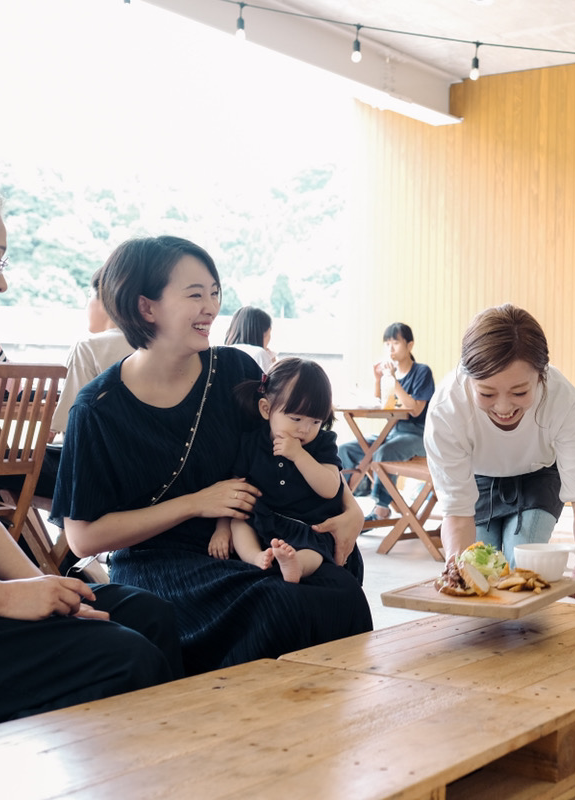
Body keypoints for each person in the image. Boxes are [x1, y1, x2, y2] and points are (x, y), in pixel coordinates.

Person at [0, 170, 182, 745]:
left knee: (148, 616)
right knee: (123, 660)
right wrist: (7, 598)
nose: (1, 283)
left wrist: (48, 594)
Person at [52, 235, 372, 676]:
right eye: (195, 294)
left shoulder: (236, 372)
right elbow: (83, 538)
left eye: (215, 292)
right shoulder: (99, 408)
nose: (211, 307)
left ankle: (319, 723)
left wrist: (352, 510)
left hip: (248, 536)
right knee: (279, 601)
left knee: (338, 575)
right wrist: (197, 503)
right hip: (159, 562)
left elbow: (307, 441)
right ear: (147, 307)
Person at [424, 304, 575, 601]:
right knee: (480, 570)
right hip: (479, 478)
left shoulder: (564, 400)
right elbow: (456, 513)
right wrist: (456, 568)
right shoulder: (447, 408)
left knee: (522, 565)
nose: (504, 408)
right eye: (487, 394)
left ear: (541, 376)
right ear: (468, 379)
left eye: (519, 392)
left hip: (539, 474)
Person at [207, 357, 346, 584]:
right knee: (239, 522)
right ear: (266, 409)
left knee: (317, 551)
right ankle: (256, 557)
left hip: (306, 525)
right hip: (264, 518)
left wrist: (299, 456)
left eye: (315, 422)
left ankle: (296, 566)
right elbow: (234, 491)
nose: (305, 429)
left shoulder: (322, 443)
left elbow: (330, 488)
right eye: (296, 418)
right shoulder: (252, 443)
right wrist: (221, 528)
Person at [338, 322, 436, 522]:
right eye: (387, 344)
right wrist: (377, 380)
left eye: (396, 343)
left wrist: (393, 380)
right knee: (346, 449)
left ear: (409, 345)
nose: (390, 349)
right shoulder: (391, 376)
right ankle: (342, 503)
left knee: (384, 453)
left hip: (418, 435)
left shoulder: (421, 372)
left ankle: (382, 508)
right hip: (392, 433)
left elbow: (416, 409)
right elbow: (382, 406)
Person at [50, 267, 135, 435]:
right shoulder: (155, 346)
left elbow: (70, 422)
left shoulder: (87, 346)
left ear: (105, 299)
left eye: (89, 296)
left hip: (98, 452)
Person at [224, 305, 275, 372]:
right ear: (264, 333)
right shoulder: (259, 354)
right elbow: (273, 382)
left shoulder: (223, 352)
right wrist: (273, 363)